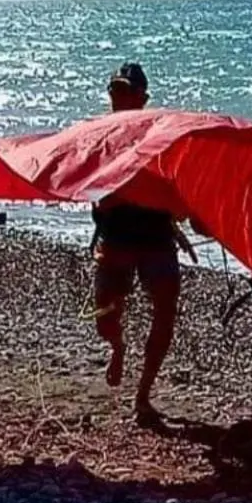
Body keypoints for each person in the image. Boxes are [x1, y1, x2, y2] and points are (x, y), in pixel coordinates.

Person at [91, 62, 197, 426]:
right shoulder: (100, 137)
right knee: (104, 316)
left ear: (143, 98)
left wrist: (178, 217)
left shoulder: (160, 138)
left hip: (156, 239)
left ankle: (143, 397)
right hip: (116, 237)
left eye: (127, 91)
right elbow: (98, 193)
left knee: (165, 312)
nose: (119, 97)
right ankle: (117, 347)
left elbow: (175, 190)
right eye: (114, 91)